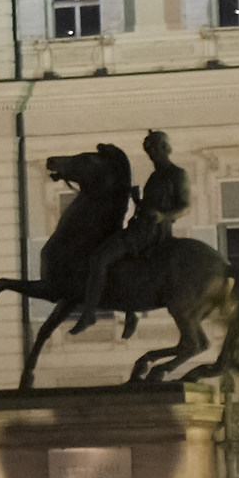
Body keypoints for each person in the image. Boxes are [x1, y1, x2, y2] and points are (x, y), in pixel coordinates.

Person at [79, 130, 188, 331]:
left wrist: (163, 216)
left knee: (99, 259)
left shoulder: (177, 174)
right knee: (119, 263)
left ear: (165, 148)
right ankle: (130, 312)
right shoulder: (155, 176)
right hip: (140, 227)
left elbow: (184, 206)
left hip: (151, 233)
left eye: (154, 147)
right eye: (148, 149)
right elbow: (148, 206)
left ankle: (89, 313)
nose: (151, 152)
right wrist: (138, 201)